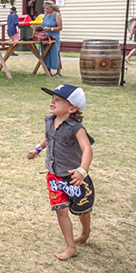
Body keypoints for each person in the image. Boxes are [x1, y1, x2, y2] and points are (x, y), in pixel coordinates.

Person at [27, 84, 94, 261]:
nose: (52, 102)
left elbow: (87, 149)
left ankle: (85, 233)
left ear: (72, 108)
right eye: (52, 98)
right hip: (54, 176)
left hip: (74, 178)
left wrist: (82, 171)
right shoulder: (49, 120)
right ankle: (71, 247)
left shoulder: (77, 129)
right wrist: (37, 149)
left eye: (58, 100)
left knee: (82, 209)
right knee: (61, 210)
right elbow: (49, 137)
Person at [41, 0, 63, 77]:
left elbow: (60, 27)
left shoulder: (56, 15)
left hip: (53, 36)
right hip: (45, 37)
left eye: (47, 8)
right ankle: (48, 70)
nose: (46, 10)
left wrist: (50, 29)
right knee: (46, 53)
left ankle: (58, 72)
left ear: (51, 7)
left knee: (55, 53)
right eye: (45, 9)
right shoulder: (46, 15)